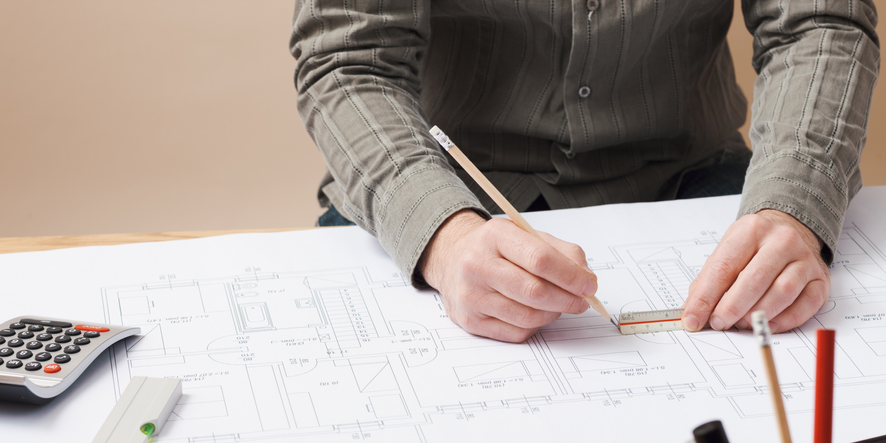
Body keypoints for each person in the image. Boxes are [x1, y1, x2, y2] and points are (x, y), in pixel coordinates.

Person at [290, 1, 879, 342]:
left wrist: (793, 203)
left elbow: (818, 23)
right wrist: (444, 237)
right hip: (439, 183)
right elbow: (347, 62)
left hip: (686, 172)